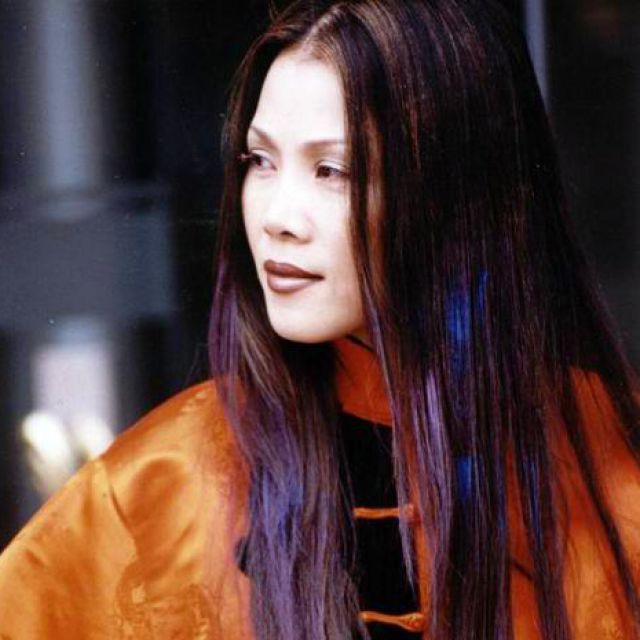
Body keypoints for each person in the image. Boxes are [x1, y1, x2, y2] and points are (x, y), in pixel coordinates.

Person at [1, 0, 640, 638]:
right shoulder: (155, 488)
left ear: (454, 195)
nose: (278, 216)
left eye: (331, 170)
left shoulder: (607, 461)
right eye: (260, 161)